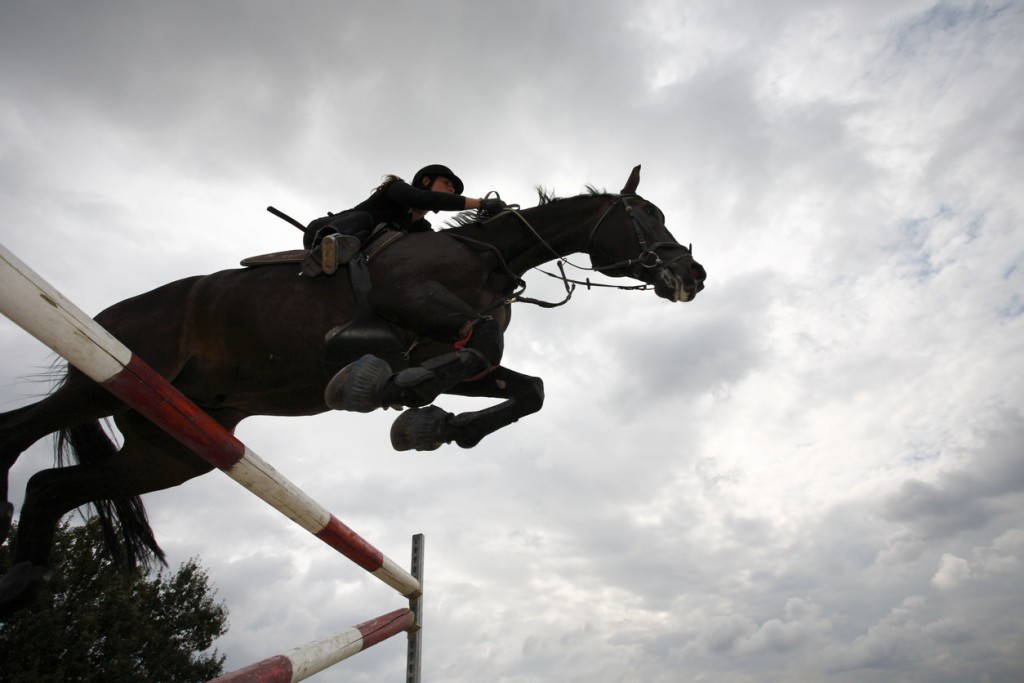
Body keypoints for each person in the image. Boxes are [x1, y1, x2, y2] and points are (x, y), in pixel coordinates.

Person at [304, 164, 505, 267]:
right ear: (426, 181)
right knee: (364, 219)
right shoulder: (397, 189)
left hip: (359, 257)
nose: (451, 191)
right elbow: (430, 200)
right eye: (447, 184)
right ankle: (326, 250)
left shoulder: (422, 229)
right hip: (322, 231)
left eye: (453, 190)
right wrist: (481, 203)